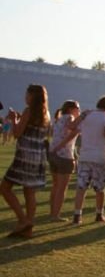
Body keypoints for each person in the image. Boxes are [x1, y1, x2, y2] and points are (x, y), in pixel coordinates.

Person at [53, 96, 105, 224]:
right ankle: (99, 214)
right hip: (100, 156)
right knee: (100, 188)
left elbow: (72, 127)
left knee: (81, 187)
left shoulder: (87, 115)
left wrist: (81, 116)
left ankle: (77, 215)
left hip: (85, 155)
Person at [0, 84, 50, 238]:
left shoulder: (28, 111)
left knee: (5, 187)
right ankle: (28, 228)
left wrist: (15, 119)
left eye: (27, 94)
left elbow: (17, 133)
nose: (25, 97)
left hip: (24, 155)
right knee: (30, 192)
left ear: (32, 96)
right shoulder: (45, 113)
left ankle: (23, 220)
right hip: (38, 156)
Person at [48, 100, 80, 222]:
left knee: (55, 186)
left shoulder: (59, 119)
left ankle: (52, 211)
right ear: (71, 109)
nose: (79, 111)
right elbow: (71, 131)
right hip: (64, 155)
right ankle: (55, 215)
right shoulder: (70, 118)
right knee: (62, 187)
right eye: (77, 108)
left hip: (53, 154)